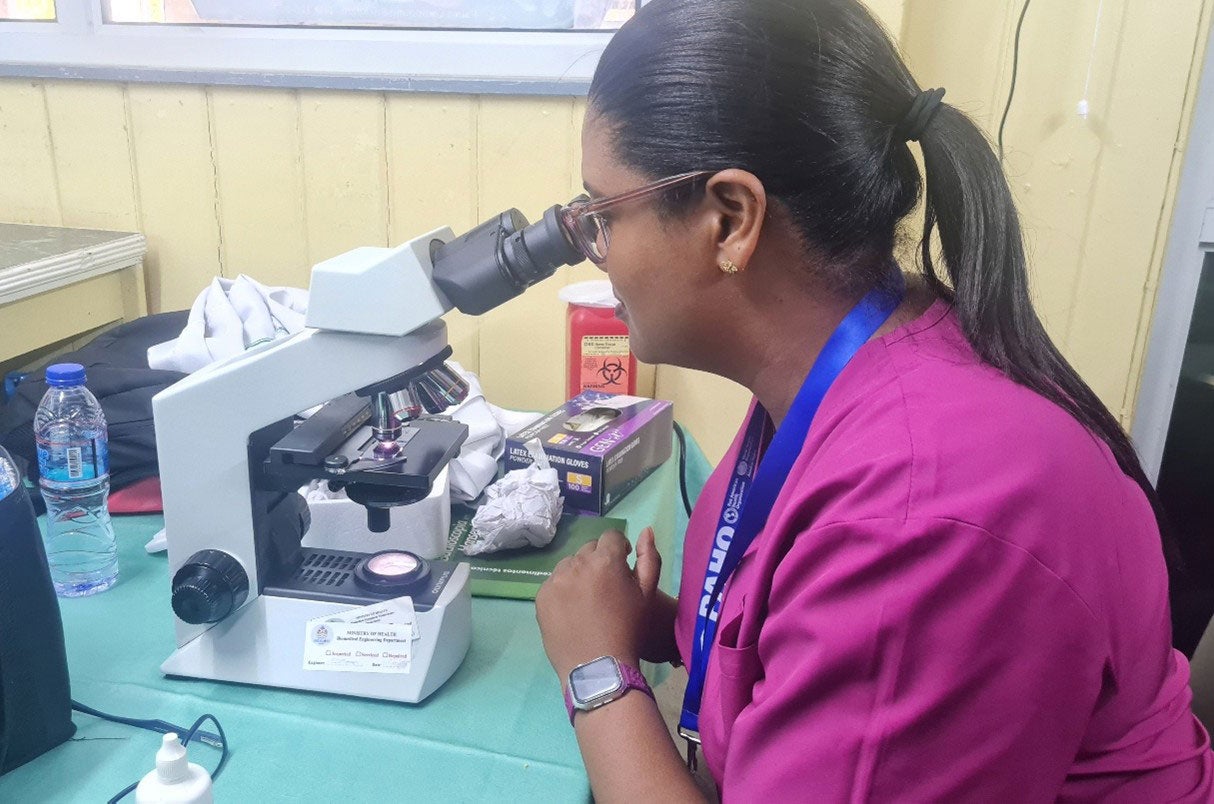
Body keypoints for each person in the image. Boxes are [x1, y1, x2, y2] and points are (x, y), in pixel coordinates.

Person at [534, 0, 1214, 800]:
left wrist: (596, 671)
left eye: (601, 216)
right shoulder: (856, 357)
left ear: (729, 220)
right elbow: (800, 616)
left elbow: (881, 604)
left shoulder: (922, 513)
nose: (595, 255)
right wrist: (667, 631)